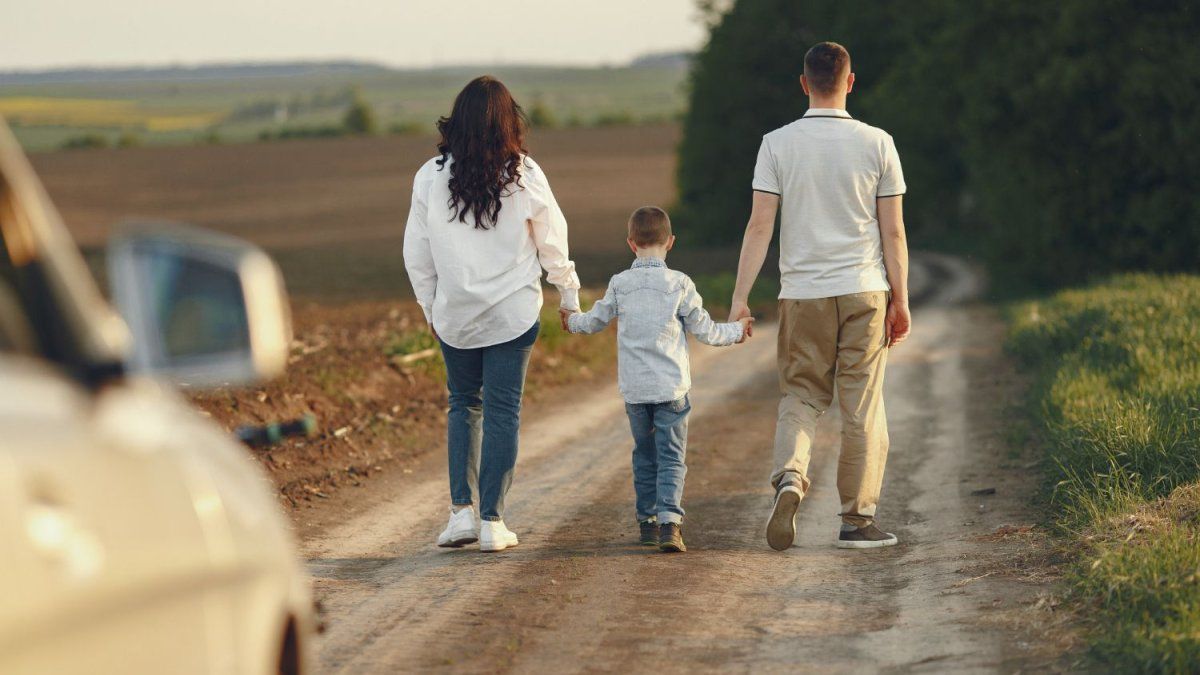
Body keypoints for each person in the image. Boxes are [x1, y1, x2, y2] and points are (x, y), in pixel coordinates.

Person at [727, 42, 912, 551]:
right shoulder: (878, 143)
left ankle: (790, 477)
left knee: (801, 396)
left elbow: (759, 226)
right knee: (862, 406)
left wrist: (740, 298)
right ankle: (857, 521)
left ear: (804, 83)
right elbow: (893, 232)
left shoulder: (776, 144)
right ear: (850, 82)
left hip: (802, 294)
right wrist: (901, 299)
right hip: (864, 291)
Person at [403, 76, 581, 552]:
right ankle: (492, 522)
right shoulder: (524, 173)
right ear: (508, 121)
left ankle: (461, 514)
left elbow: (416, 251)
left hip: (455, 314)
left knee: (464, 404)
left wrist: (429, 307)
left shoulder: (430, 176)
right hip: (512, 314)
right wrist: (568, 294)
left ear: (457, 121)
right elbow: (552, 240)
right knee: (503, 411)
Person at [561, 206, 753, 553]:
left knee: (645, 456)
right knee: (672, 457)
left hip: (636, 391)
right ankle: (670, 524)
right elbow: (706, 331)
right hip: (671, 389)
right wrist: (738, 330)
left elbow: (594, 321)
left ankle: (647, 523)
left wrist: (571, 319)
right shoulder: (680, 284)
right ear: (671, 242)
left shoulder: (619, 283)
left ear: (631, 243)